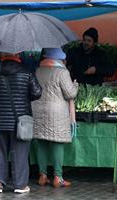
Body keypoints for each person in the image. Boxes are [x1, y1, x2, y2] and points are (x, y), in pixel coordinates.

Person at [0, 52, 42, 194]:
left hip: (0, 120)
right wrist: (25, 95)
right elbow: (37, 92)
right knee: (20, 152)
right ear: (18, 54)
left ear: (2, 55)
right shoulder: (27, 73)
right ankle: (20, 185)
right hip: (21, 121)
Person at [32, 48, 78, 187]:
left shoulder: (38, 70)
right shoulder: (62, 72)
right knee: (58, 142)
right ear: (59, 59)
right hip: (56, 112)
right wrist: (75, 85)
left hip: (38, 109)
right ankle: (58, 177)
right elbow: (70, 94)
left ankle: (42, 175)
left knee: (41, 142)